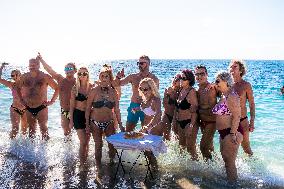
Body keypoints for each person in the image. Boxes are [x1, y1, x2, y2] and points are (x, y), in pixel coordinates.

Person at [85, 65, 124, 167]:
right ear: (99, 78)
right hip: (95, 123)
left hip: (109, 123)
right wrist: (87, 125)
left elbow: (117, 110)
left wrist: (120, 124)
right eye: (102, 76)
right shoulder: (94, 91)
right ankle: (98, 168)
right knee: (98, 146)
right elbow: (88, 108)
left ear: (110, 78)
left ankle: (112, 163)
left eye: (106, 76)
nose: (104, 78)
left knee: (112, 146)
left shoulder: (113, 93)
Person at [16, 58, 59, 140]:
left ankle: (45, 151)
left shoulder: (45, 77)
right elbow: (18, 88)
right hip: (28, 107)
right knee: (31, 130)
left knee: (43, 129)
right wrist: (21, 100)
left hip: (41, 107)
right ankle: (32, 152)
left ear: (38, 65)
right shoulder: (24, 76)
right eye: (30, 65)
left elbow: (57, 88)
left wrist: (52, 101)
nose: (31, 67)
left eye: (34, 65)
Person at [114, 55, 159, 132]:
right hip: (134, 105)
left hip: (146, 107)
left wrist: (153, 109)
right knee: (128, 131)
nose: (139, 65)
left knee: (146, 132)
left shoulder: (154, 79)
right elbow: (117, 84)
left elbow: (156, 96)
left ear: (148, 64)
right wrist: (118, 77)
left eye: (141, 63)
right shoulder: (133, 77)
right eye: (138, 63)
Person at [212, 71, 243, 182]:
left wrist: (232, 133)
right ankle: (230, 182)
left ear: (226, 81)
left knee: (230, 163)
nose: (216, 83)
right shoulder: (223, 95)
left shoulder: (232, 96)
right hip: (224, 133)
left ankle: (233, 185)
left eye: (218, 81)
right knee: (226, 161)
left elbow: (237, 116)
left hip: (231, 132)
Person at [38, 53, 77, 140]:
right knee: (66, 133)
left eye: (70, 68)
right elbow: (49, 70)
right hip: (64, 111)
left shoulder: (78, 82)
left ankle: (81, 152)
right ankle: (68, 152)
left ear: (75, 70)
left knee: (80, 134)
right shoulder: (60, 79)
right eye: (66, 68)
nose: (68, 70)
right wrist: (41, 60)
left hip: (76, 112)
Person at [229, 60, 255, 156]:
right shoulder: (228, 84)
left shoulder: (246, 85)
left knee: (246, 147)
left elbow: (252, 104)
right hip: (230, 121)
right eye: (231, 67)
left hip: (243, 120)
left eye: (235, 67)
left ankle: (255, 169)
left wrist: (252, 121)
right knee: (230, 148)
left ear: (241, 70)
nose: (232, 69)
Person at [174, 69, 198, 160]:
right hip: (180, 122)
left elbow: (194, 111)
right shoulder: (181, 90)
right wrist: (175, 122)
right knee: (181, 147)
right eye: (180, 78)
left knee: (191, 148)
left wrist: (191, 126)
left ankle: (197, 169)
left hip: (189, 122)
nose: (181, 80)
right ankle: (183, 168)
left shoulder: (191, 92)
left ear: (189, 80)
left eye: (183, 78)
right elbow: (177, 109)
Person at [69, 67, 91, 163]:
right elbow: (71, 106)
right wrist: (71, 121)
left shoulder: (92, 87)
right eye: (79, 74)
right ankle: (82, 164)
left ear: (88, 75)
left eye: (84, 73)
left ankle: (86, 160)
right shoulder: (75, 89)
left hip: (89, 116)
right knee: (83, 142)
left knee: (87, 141)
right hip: (78, 116)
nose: (82, 76)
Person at [138, 77, 162, 167]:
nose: (143, 91)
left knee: (149, 152)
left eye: (146, 89)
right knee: (147, 152)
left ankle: (155, 171)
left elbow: (158, 115)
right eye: (141, 88)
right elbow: (144, 109)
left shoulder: (155, 100)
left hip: (154, 128)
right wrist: (136, 109)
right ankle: (153, 169)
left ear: (152, 88)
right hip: (147, 128)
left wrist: (149, 126)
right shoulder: (145, 99)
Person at [195, 65, 217, 161]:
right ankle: (217, 166)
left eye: (202, 74)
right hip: (202, 122)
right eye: (197, 74)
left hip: (212, 122)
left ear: (207, 75)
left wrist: (215, 83)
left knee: (203, 147)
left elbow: (227, 90)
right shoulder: (197, 90)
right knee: (210, 147)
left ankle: (209, 171)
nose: (199, 76)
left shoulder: (212, 88)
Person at [0, 62, 27, 138]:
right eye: (12, 75)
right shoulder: (12, 85)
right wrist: (1, 67)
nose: (13, 77)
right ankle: (10, 147)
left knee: (24, 132)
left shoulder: (27, 85)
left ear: (20, 75)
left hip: (25, 110)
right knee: (15, 129)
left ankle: (21, 148)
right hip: (15, 109)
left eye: (15, 75)